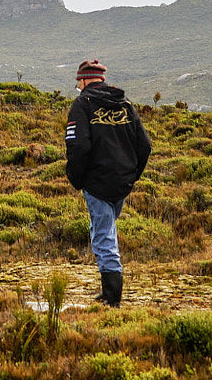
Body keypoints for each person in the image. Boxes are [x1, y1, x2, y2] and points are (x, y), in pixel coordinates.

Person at [63, 59, 152, 308]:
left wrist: (77, 179)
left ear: (83, 80)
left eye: (77, 82)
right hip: (122, 182)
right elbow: (144, 145)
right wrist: (132, 176)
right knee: (105, 230)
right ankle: (107, 288)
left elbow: (78, 146)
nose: (77, 87)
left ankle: (113, 297)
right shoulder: (125, 105)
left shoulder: (82, 105)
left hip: (96, 182)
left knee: (103, 236)